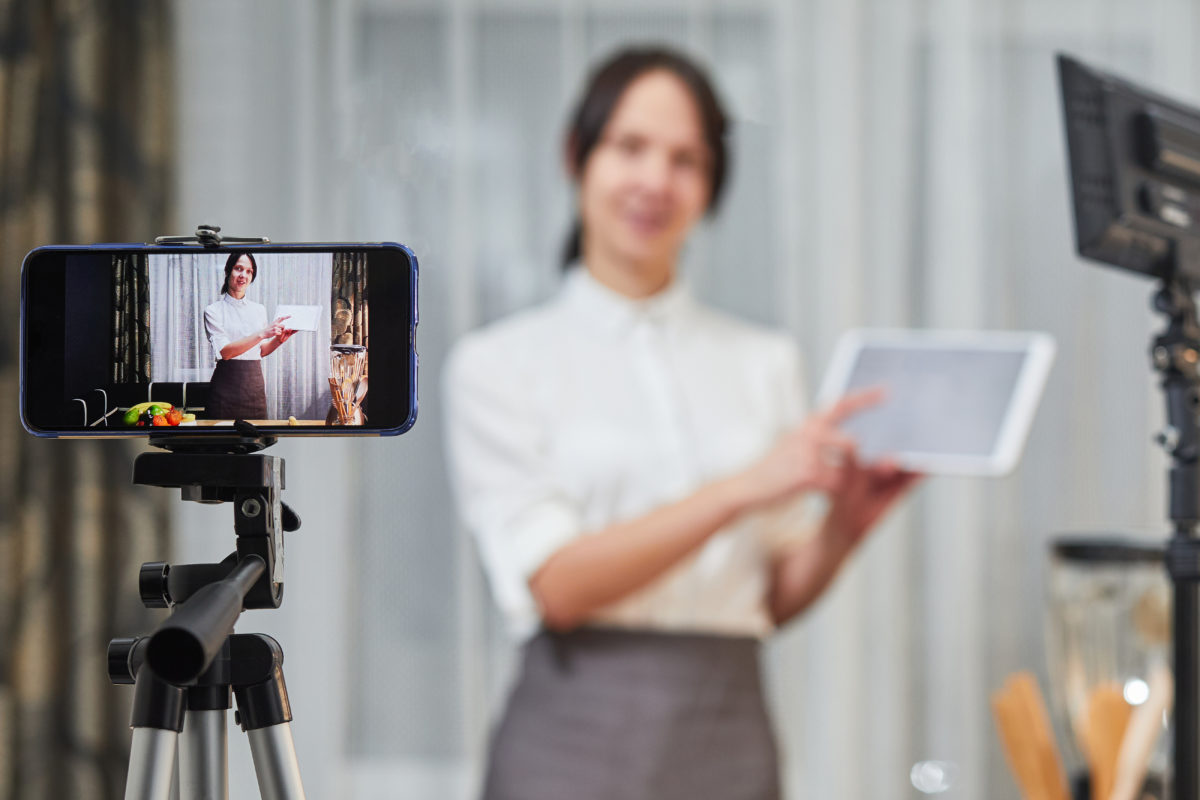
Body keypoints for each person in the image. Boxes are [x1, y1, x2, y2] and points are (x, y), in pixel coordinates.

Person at [443, 46, 920, 800]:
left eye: (686, 160)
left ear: (711, 187)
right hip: (569, 735)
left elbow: (769, 595)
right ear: (578, 156)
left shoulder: (765, 360)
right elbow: (558, 586)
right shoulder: (498, 364)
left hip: (731, 727)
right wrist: (744, 487)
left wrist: (845, 528)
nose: (655, 182)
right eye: (630, 148)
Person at [202, 252, 294, 420]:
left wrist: (278, 340)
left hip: (254, 388)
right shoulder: (213, 311)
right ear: (228, 271)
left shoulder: (259, 309)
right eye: (238, 269)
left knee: (255, 440)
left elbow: (261, 351)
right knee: (220, 442)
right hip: (225, 389)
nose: (243, 275)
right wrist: (262, 333)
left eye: (249, 271)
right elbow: (225, 352)